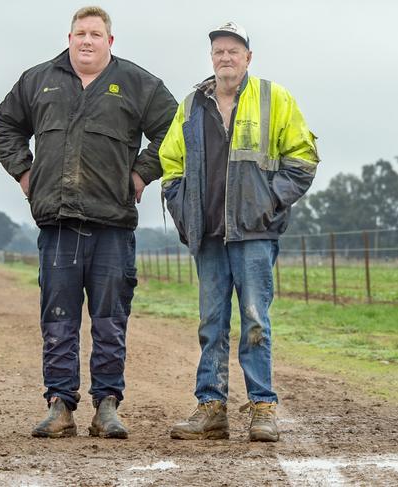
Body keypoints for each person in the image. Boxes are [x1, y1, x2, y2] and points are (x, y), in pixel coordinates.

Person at [0, 6, 177, 439]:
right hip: (58, 225)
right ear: (69, 37)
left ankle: (107, 406)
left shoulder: (138, 83)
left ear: (110, 42)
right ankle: (59, 405)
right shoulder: (38, 80)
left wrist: (141, 173)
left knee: (110, 318)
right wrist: (25, 173)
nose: (87, 41)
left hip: (112, 224)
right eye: (80, 33)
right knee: (58, 318)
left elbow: (174, 128)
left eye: (96, 34)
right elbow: (5, 124)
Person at [159, 21, 319, 442]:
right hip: (208, 236)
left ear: (248, 57)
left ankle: (263, 408)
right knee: (211, 323)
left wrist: (268, 201)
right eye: (218, 51)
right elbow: (170, 164)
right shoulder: (192, 104)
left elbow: (303, 159)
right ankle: (211, 409)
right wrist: (182, 211)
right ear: (211, 59)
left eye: (233, 50)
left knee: (254, 321)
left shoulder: (274, 98)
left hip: (254, 234)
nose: (225, 57)